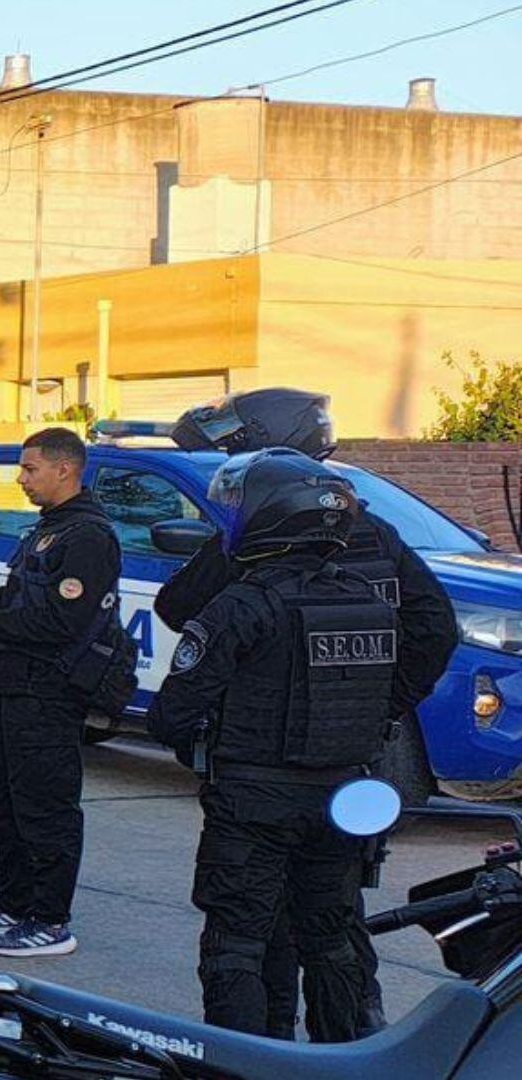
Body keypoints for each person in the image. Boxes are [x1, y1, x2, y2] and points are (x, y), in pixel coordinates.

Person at [156, 388, 455, 1039]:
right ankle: (346, 1054)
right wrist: (376, 708)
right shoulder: (379, 535)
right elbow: (435, 630)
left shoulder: (255, 547)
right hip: (349, 772)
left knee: (243, 938)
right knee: (334, 931)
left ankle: (252, 1055)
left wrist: (205, 738)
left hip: (258, 780)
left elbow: (179, 618)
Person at [0, 426, 121, 958]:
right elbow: (32, 593)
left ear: (64, 469)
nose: (22, 479)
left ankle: (50, 920)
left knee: (45, 807)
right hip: (14, 684)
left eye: (30, 469)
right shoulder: (51, 529)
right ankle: (15, 900)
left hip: (50, 689)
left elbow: (60, 621)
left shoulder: (87, 536)